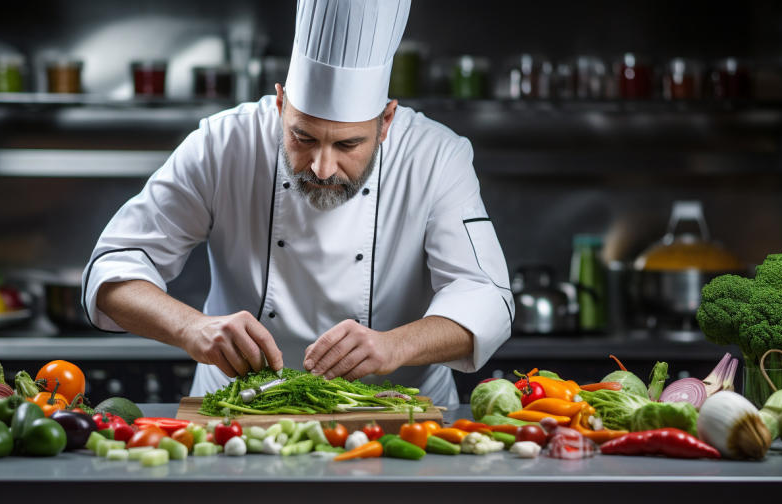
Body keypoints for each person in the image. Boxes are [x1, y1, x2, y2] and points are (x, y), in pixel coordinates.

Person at [82, 0, 513, 409]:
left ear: (385, 123)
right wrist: (191, 327)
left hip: (399, 416)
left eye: (348, 144)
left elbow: (485, 295)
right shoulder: (223, 144)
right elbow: (114, 267)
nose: (323, 168)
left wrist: (395, 344)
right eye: (303, 137)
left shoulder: (435, 157)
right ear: (281, 104)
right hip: (238, 416)